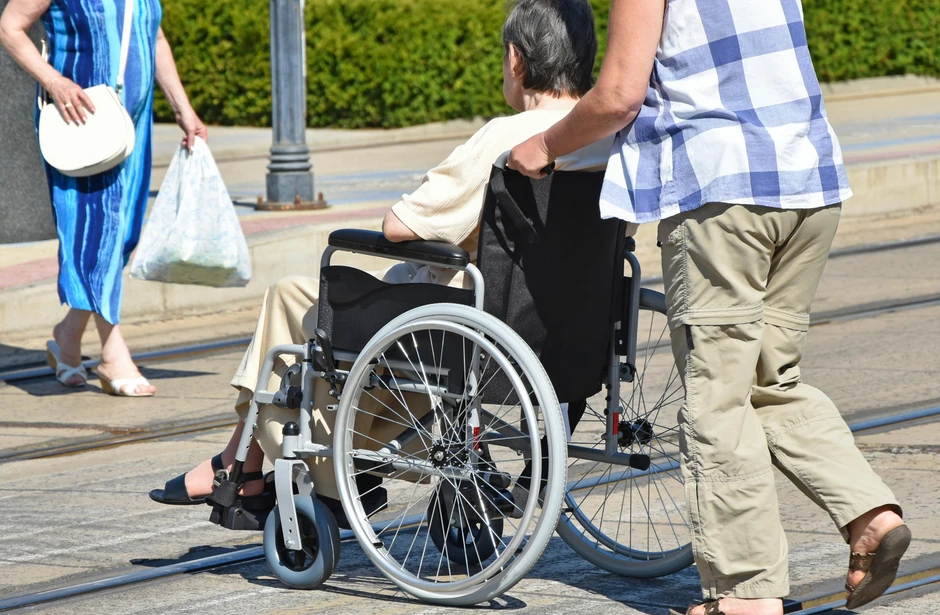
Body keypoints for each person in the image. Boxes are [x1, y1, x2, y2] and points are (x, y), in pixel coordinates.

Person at [508, 0, 909, 615]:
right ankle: (869, 515)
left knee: (716, 396)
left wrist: (543, 146)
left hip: (723, 192)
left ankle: (746, 584)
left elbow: (618, 95)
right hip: (807, 181)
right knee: (770, 383)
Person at [149, 0, 611, 505]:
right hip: (572, 326)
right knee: (358, 308)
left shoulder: (507, 137)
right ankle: (245, 463)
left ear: (515, 58)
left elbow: (399, 224)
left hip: (473, 323)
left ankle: (279, 471)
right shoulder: (606, 138)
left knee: (293, 300)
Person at [0, 0, 207, 396]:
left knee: (121, 233)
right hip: (81, 121)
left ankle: (67, 336)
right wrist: (53, 81)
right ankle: (113, 355)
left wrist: (182, 107)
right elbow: (10, 27)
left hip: (133, 123)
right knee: (92, 233)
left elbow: (155, 36)